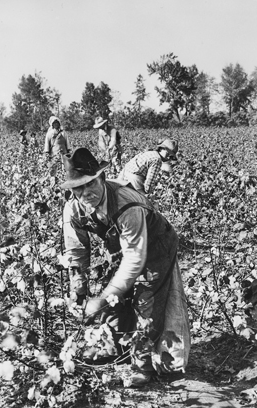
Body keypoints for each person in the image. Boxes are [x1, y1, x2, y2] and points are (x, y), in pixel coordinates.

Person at [61, 147, 190, 386]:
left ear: (101, 178)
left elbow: (134, 260)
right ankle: (115, 348)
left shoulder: (127, 204)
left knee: (146, 301)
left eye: (91, 184)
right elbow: (76, 252)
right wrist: (78, 292)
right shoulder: (72, 209)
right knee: (114, 300)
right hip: (120, 245)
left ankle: (143, 365)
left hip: (155, 245)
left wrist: (100, 300)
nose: (86, 192)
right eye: (79, 187)